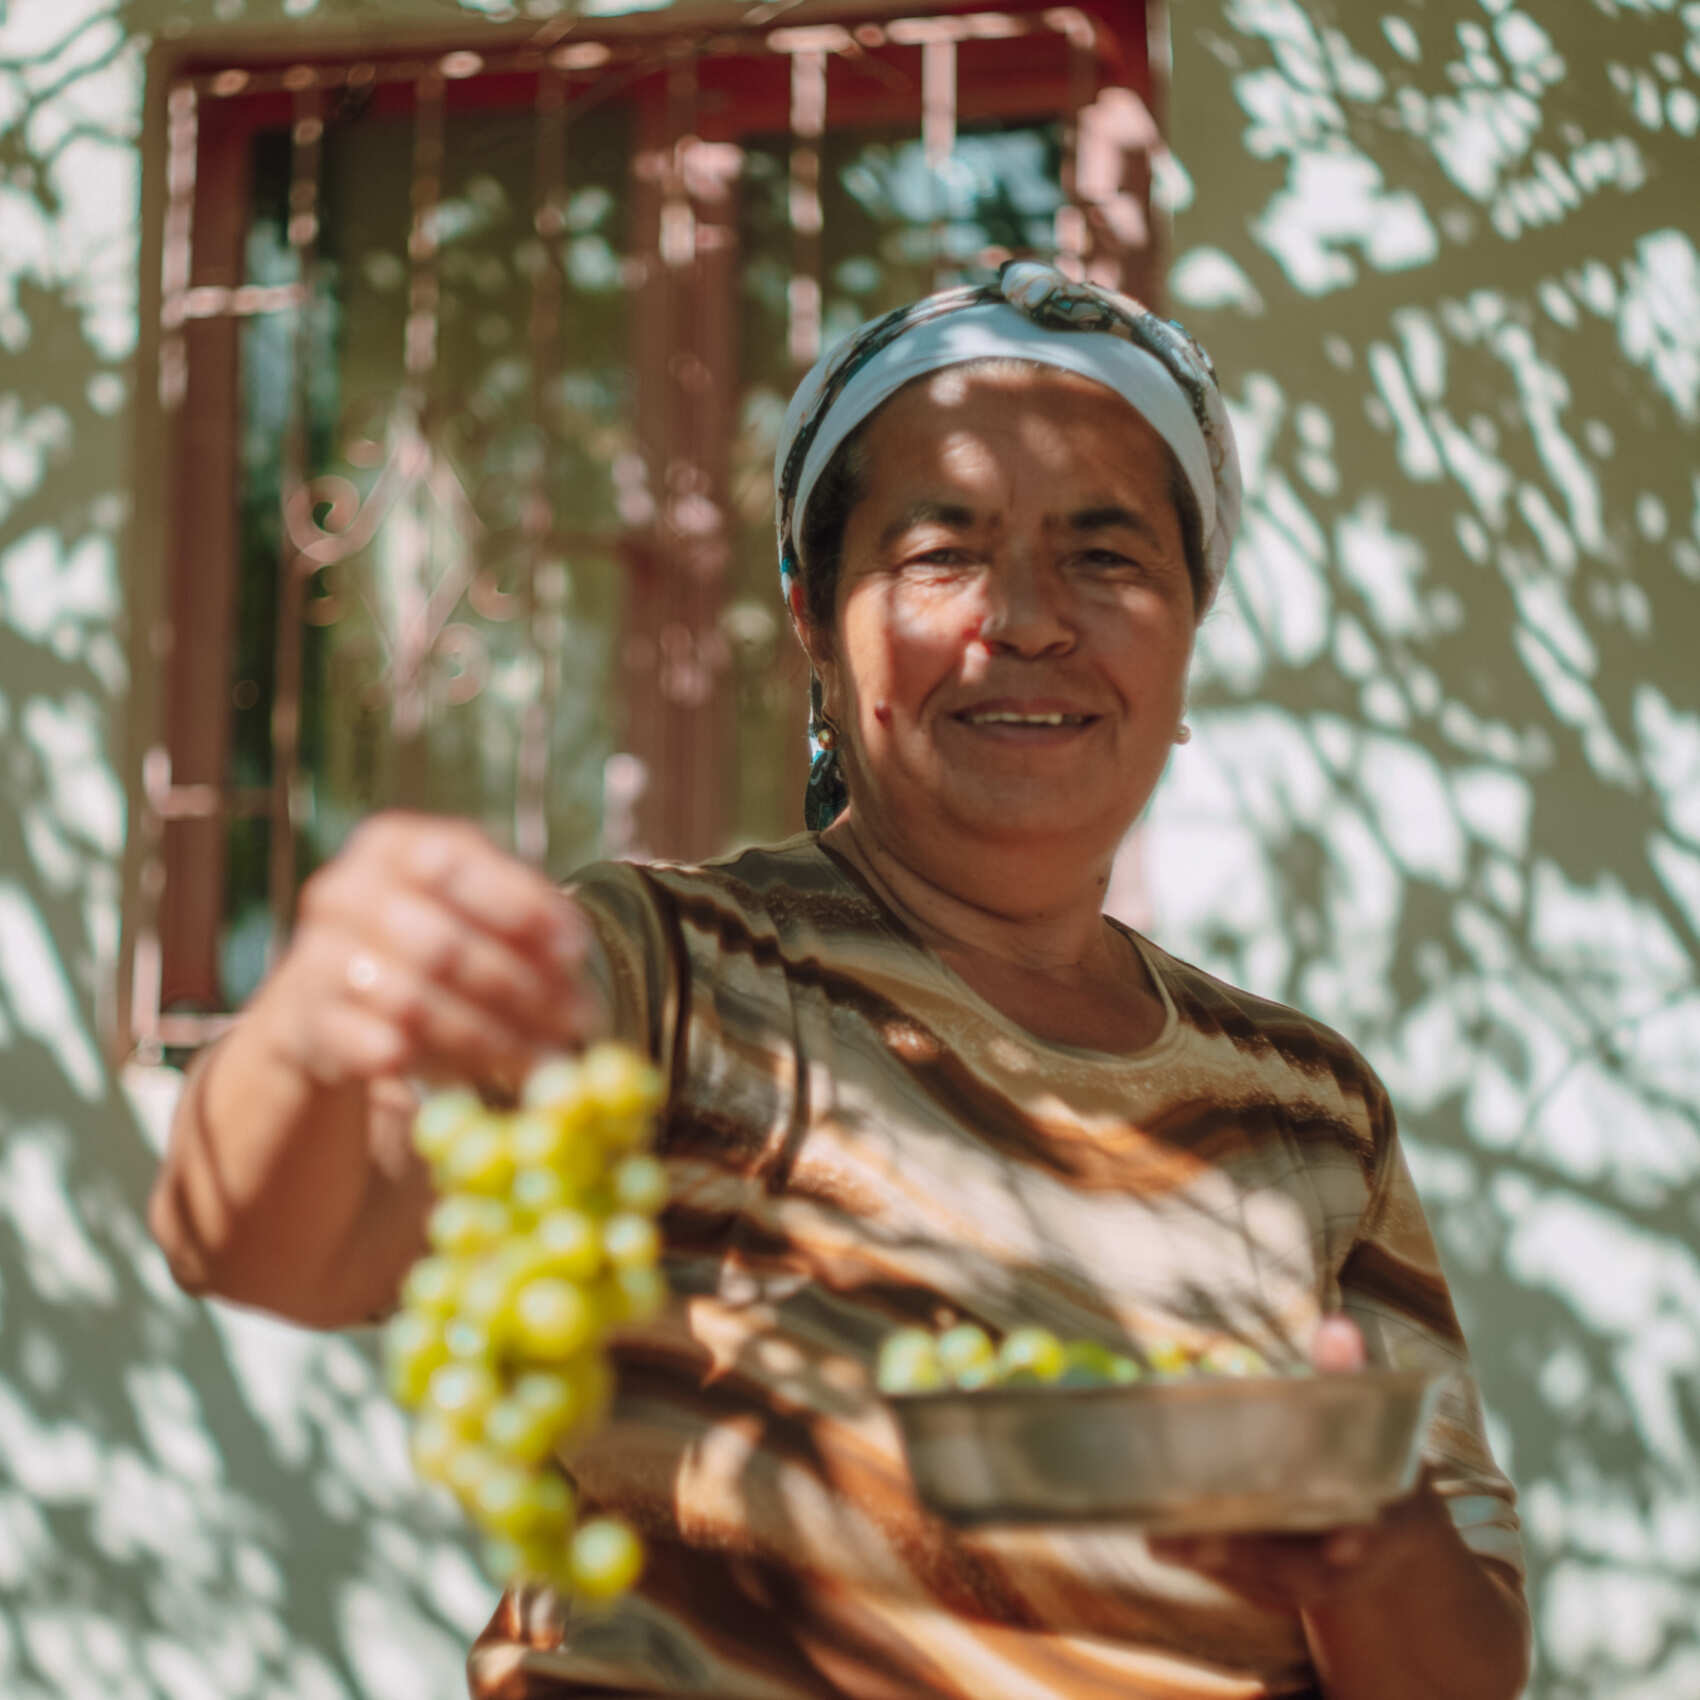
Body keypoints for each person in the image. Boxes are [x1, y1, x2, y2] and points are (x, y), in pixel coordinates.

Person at [149, 262, 1530, 1700]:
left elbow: (1462, 1672)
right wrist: (313, 1031)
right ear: (813, 619)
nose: (1027, 620)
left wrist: (1369, 1543)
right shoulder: (669, 976)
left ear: (1190, 630)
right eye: (940, 553)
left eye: (1108, 558)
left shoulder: (1307, 1103)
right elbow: (263, 1248)